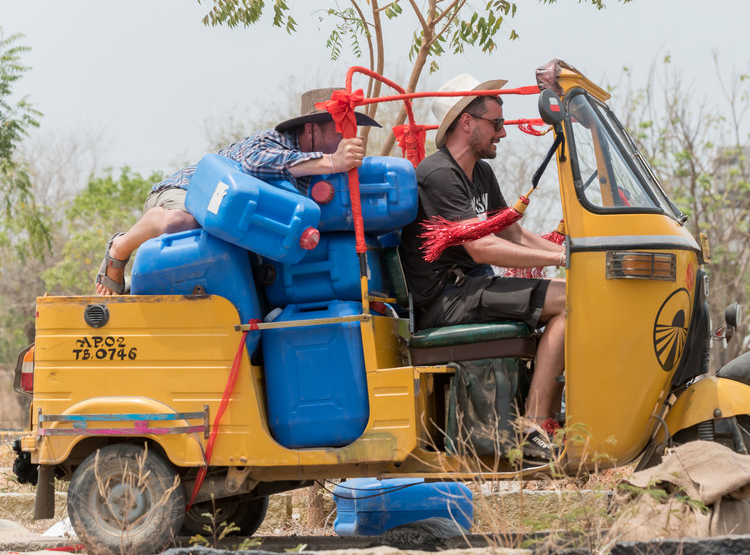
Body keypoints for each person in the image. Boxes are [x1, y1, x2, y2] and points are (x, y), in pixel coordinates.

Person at [399, 74, 566, 461]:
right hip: (448, 300)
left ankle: (543, 421)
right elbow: (482, 247)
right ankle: (534, 429)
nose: (503, 133)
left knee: (576, 298)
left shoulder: (482, 174)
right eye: (497, 124)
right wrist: (559, 259)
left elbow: (513, 234)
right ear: (467, 123)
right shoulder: (439, 174)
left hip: (473, 289)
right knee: (572, 301)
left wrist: (573, 254)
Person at [95, 88, 375, 296]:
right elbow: (256, 162)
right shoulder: (272, 141)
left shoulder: (323, 174)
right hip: (190, 194)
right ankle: (121, 246)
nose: (345, 139)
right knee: (180, 223)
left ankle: (141, 291)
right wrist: (331, 162)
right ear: (311, 129)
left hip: (231, 229)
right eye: (339, 131)